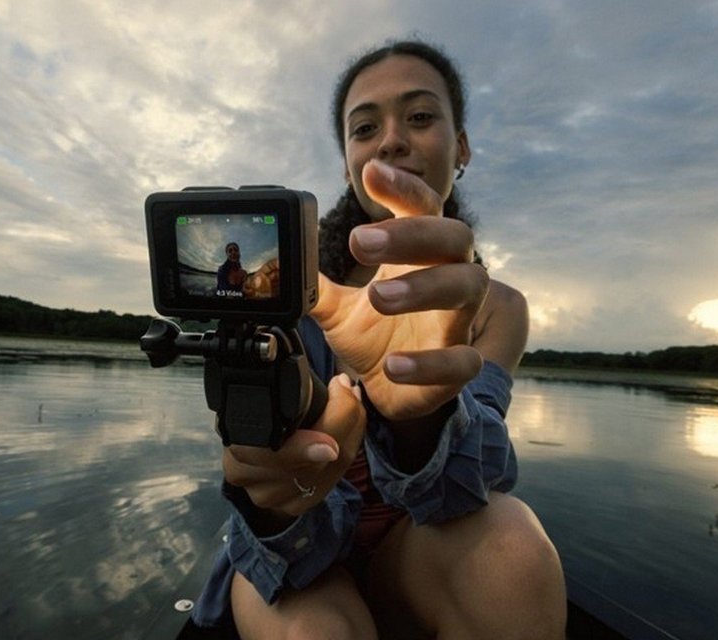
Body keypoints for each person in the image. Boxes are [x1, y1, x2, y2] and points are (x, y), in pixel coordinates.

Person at [192, 40, 567, 639]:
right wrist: (271, 488)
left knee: (512, 552)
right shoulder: (292, 289)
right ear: (348, 165)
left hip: (416, 545)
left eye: (419, 116)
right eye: (365, 127)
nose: (392, 140)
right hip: (294, 550)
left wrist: (424, 411)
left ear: (461, 147)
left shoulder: (499, 307)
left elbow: (469, 489)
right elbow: (260, 473)